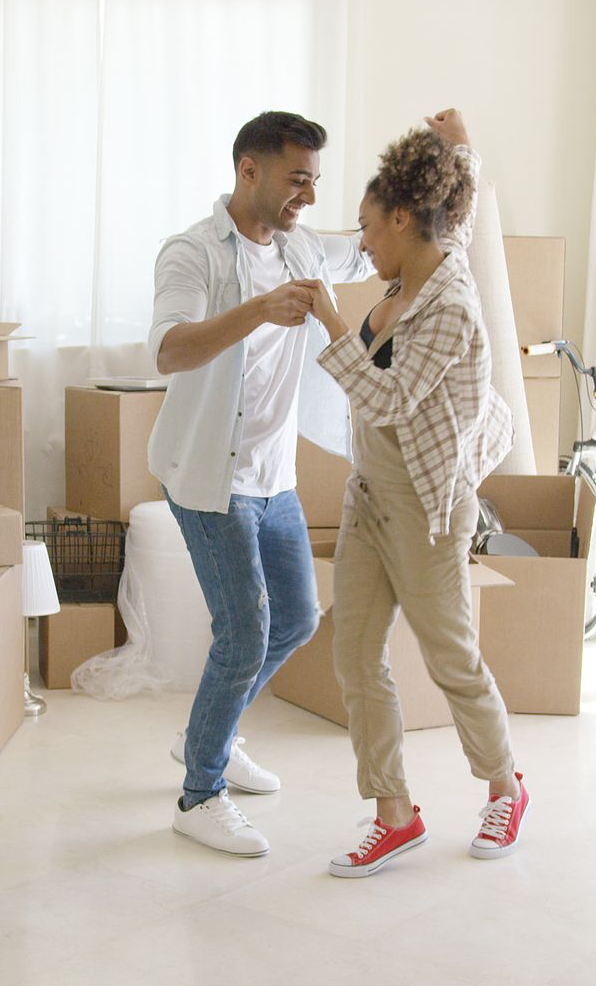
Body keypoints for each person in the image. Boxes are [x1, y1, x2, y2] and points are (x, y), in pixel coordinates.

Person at [305, 109, 528, 877]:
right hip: (369, 494)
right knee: (355, 652)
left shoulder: (452, 305)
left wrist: (332, 323)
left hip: (430, 507)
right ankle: (393, 811)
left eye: (368, 226)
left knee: (449, 655)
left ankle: (506, 784)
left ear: (403, 219)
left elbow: (390, 399)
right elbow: (454, 209)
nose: (362, 242)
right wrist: (459, 141)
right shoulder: (422, 260)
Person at [147, 111, 374, 856]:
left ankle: (207, 735)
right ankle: (199, 792)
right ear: (249, 170)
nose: (307, 194)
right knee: (243, 631)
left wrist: (445, 160)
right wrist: (254, 311)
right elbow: (169, 351)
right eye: (295, 178)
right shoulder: (192, 252)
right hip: (211, 477)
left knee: (298, 618)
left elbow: (368, 243)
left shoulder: (302, 243)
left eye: (314, 179)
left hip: (275, 477)